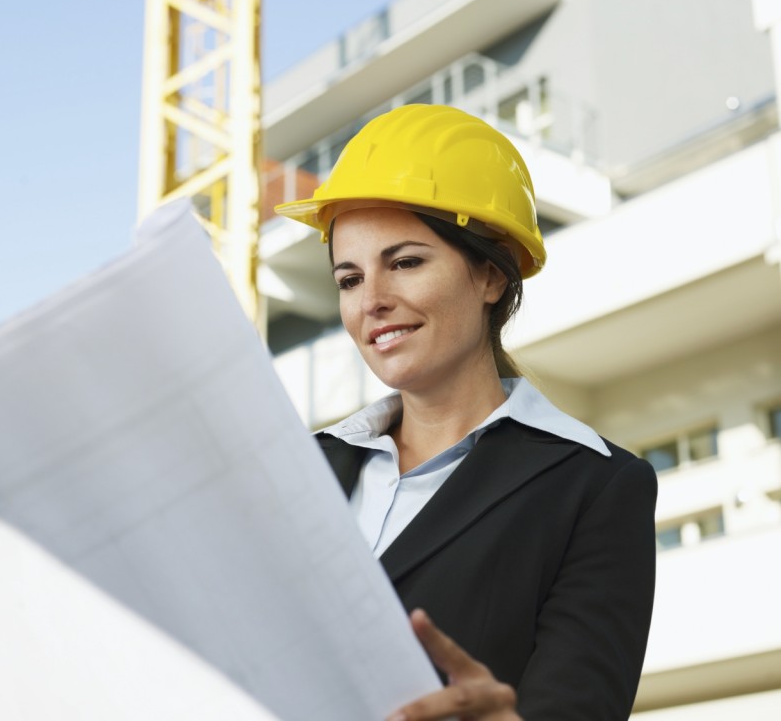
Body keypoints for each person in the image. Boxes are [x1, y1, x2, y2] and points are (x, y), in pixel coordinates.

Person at [274, 105, 657, 720]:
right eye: (349, 279)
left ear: (489, 274)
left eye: (404, 263)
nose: (371, 302)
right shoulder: (300, 469)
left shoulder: (595, 487)